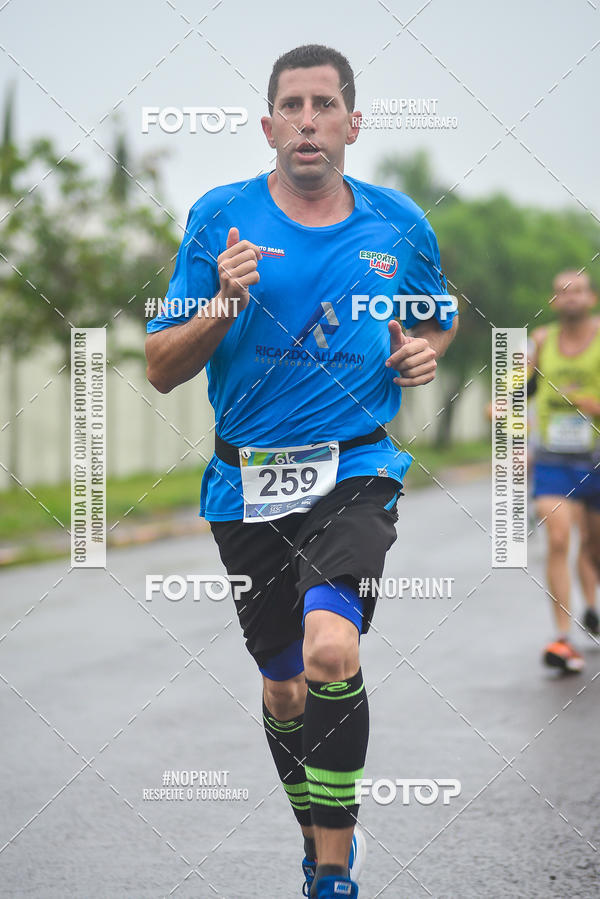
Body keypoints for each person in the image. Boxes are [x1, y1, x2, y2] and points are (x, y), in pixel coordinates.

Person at [145, 44, 458, 898]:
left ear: (353, 124)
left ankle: (330, 868)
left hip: (356, 465)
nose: (308, 120)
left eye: (325, 105)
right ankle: (321, 838)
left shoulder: (399, 226)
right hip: (244, 481)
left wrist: (421, 353)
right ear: (268, 125)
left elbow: (437, 318)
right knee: (284, 689)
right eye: (293, 105)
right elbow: (160, 365)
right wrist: (222, 302)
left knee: (330, 647)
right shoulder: (220, 222)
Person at [528, 270, 600, 674]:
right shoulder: (540, 341)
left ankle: (593, 607)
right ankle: (562, 638)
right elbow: (517, 389)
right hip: (554, 459)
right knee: (558, 537)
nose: (570, 298)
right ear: (553, 302)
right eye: (561, 293)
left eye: (578, 292)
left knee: (594, 548)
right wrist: (502, 407)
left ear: (592, 298)